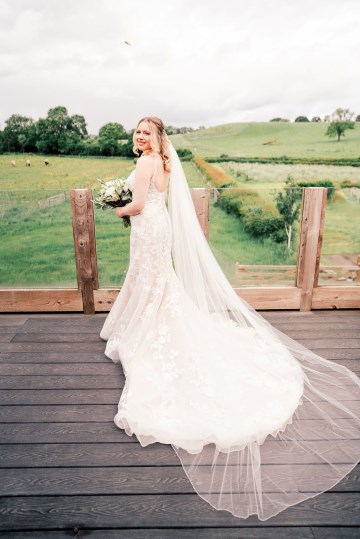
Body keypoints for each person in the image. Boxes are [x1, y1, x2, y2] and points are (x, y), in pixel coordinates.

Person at [100, 116, 360, 520]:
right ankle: (149, 320)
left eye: (146, 132)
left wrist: (114, 208)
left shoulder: (147, 161)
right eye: (137, 131)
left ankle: (147, 327)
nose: (140, 136)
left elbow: (136, 204)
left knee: (151, 279)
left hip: (146, 227)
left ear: (156, 137)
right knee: (156, 281)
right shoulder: (164, 162)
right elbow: (158, 197)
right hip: (157, 227)